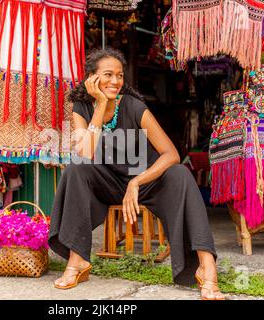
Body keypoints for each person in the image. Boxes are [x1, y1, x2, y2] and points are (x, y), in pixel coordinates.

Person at [48, 48, 225, 300]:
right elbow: (84, 153)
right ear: (91, 78)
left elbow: (170, 153)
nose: (115, 81)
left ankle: (206, 267)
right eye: (107, 75)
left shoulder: (133, 106)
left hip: (145, 180)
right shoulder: (82, 107)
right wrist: (100, 105)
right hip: (107, 181)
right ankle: (77, 262)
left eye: (119, 75)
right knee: (76, 169)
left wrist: (137, 181)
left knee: (180, 175)